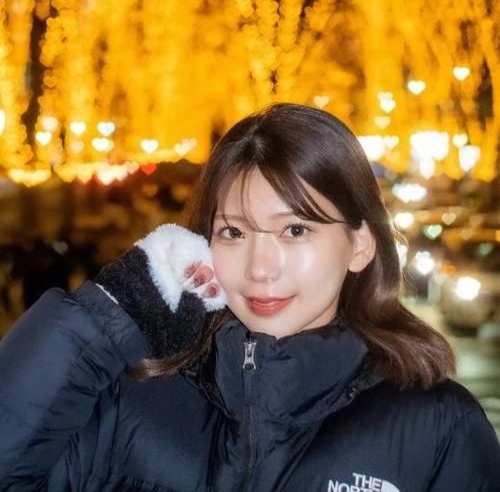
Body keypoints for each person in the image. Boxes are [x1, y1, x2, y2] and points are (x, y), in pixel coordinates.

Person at [0, 103, 499, 492]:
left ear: (361, 245)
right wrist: (105, 317)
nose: (260, 269)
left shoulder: (437, 427)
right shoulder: (130, 401)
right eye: (234, 232)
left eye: (296, 230)